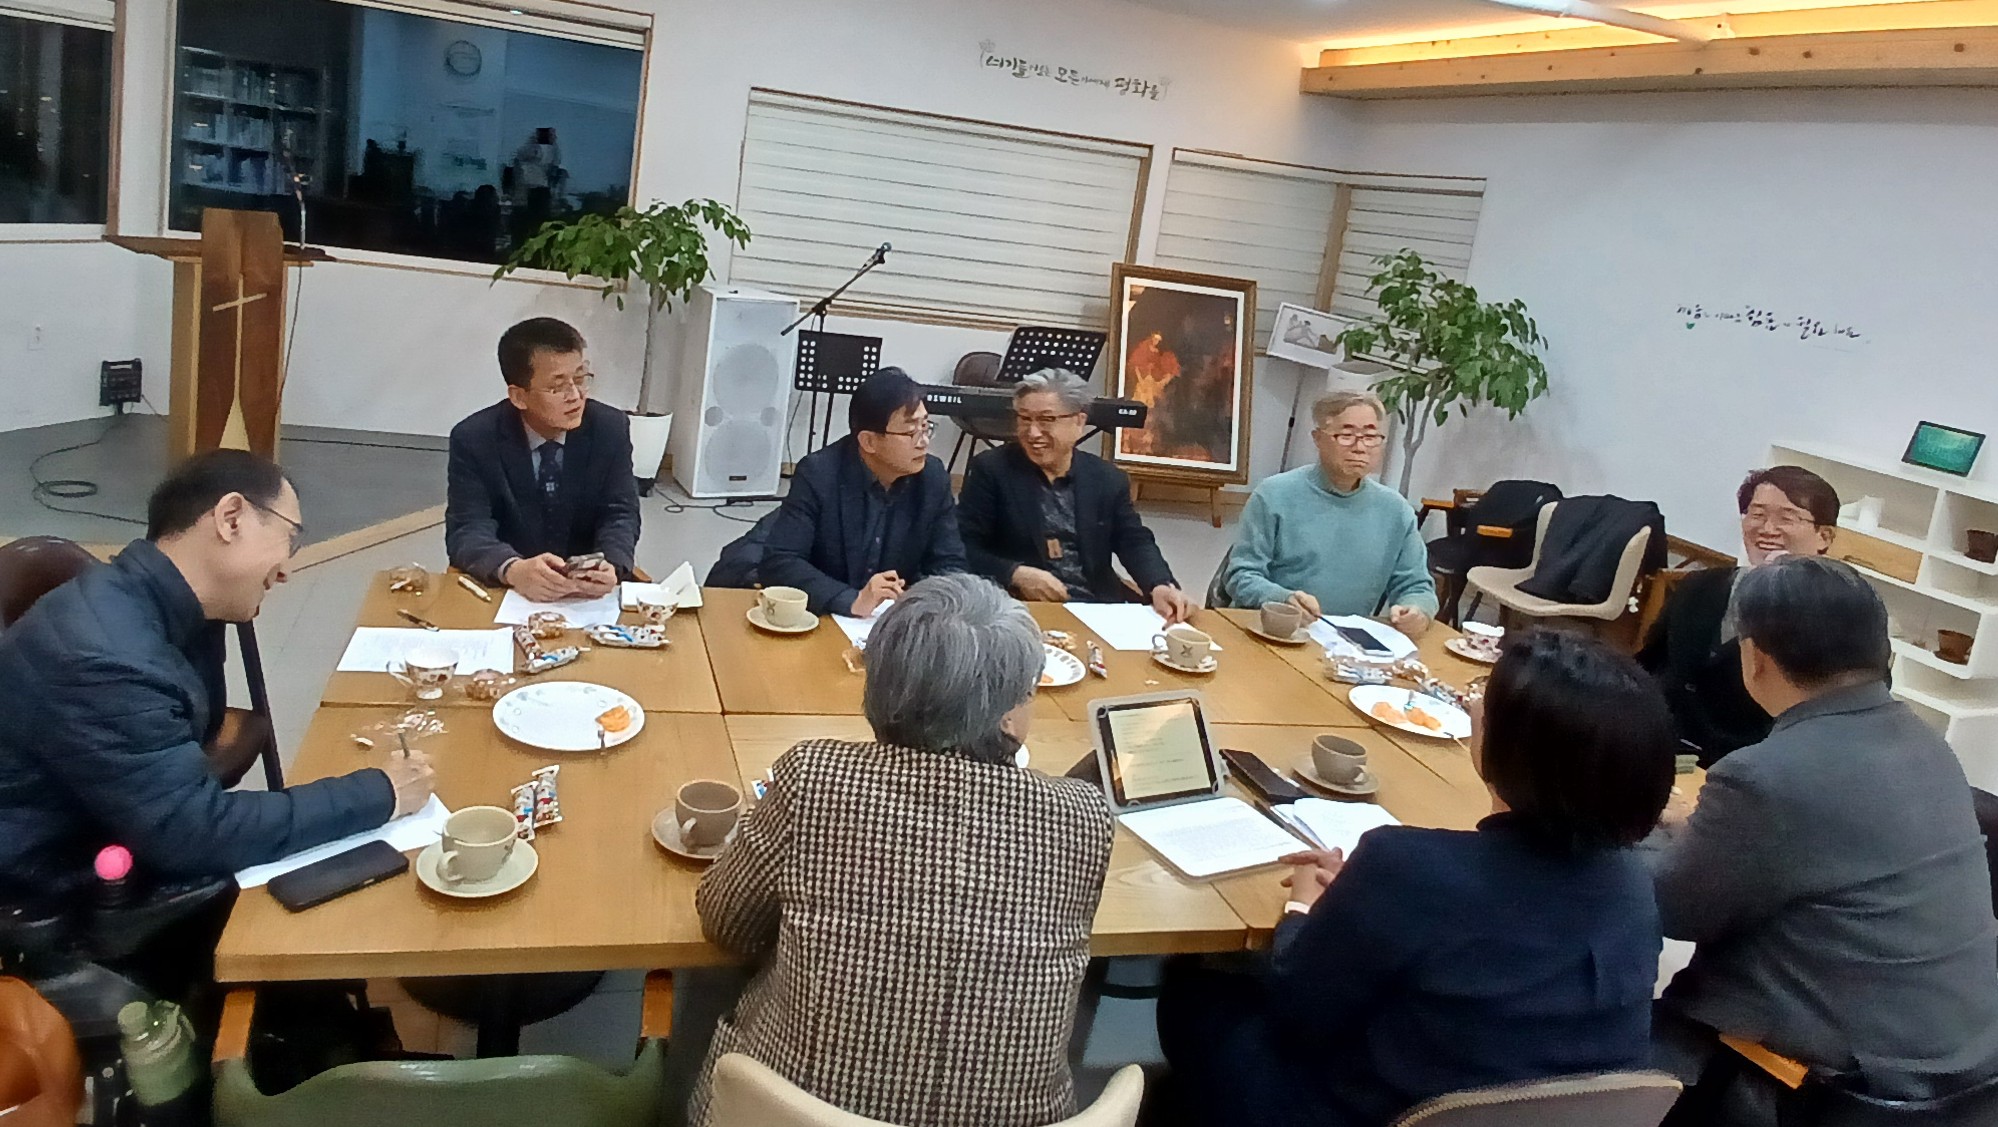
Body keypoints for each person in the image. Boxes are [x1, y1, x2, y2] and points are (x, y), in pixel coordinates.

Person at [1157, 629, 1674, 1127]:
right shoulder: (1633, 886)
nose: (1474, 706)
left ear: (1515, 749)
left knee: (1197, 986)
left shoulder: (1406, 866)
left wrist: (1302, 910)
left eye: (1485, 698)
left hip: (1355, 1111)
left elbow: (1297, 1014)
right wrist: (1362, 901)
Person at [689, 574, 1113, 1127]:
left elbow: (727, 924)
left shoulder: (815, 777)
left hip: (779, 1112)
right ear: (1009, 711)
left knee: (715, 986)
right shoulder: (1083, 815)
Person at [1648, 556, 1998, 1112]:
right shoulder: (1926, 745)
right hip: (1964, 1076)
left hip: (1850, 1093)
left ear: (1755, 656)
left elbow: (1672, 909)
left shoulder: (1765, 775)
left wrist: (1622, 825)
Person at [0, 451, 434, 897]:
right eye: (290, 539)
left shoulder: (164, 603)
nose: (287, 571)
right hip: (45, 885)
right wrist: (383, 793)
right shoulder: (106, 658)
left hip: (109, 831)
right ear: (231, 519)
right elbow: (194, 832)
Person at [1639, 466, 1839, 765]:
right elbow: (1647, 666)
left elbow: (1834, 722)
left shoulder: (1839, 615)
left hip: (1749, 770)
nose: (1768, 528)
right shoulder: (1699, 585)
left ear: (1824, 536)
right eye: (1757, 514)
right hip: (1658, 750)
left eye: (1787, 518)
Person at [958, 369, 1190, 622]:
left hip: (1095, 607)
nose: (1033, 432)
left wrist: (1159, 584)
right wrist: (1016, 573)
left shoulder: (1106, 478)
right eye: (1024, 419)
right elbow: (962, 545)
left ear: (1079, 422)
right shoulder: (992, 470)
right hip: (1021, 608)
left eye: (1046, 419)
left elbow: (1133, 540)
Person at [445, 317, 639, 602]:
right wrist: (512, 569)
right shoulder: (475, 438)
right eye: (557, 387)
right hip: (508, 590)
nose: (575, 396)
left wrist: (610, 563)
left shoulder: (609, 428)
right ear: (519, 396)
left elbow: (620, 512)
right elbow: (468, 527)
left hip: (585, 595)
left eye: (580, 379)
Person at [1223, 390, 1437, 638]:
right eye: (1346, 436)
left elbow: (1417, 586)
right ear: (1318, 439)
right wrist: (1283, 598)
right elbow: (1241, 575)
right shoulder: (1274, 495)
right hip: (1273, 632)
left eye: (1370, 437)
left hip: (1344, 641)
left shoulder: (1396, 511)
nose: (1360, 447)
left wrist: (1418, 610)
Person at [754, 367, 966, 617]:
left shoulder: (932, 478)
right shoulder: (819, 474)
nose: (924, 441)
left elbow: (950, 564)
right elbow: (781, 561)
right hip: (826, 614)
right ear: (869, 442)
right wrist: (851, 600)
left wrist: (920, 603)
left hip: (895, 619)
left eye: (925, 426)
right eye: (911, 432)